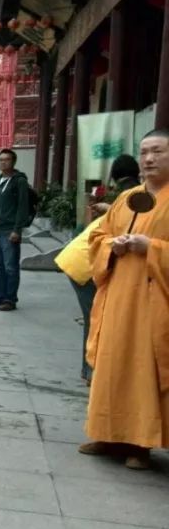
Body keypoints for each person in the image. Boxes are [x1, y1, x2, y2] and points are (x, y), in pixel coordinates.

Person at [79, 129, 169, 471]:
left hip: (153, 299)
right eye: (144, 152)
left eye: (157, 152)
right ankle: (106, 433)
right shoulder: (128, 197)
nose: (148, 159)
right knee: (110, 364)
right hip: (117, 294)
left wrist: (153, 248)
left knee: (142, 369)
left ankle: (139, 444)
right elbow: (99, 235)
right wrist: (110, 246)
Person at [55, 154, 141, 384]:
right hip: (85, 264)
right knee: (96, 319)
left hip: (81, 259)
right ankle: (91, 372)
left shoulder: (125, 196)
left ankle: (92, 370)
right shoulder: (137, 196)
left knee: (96, 318)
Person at [0, 148, 30, 311]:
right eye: (0, 160)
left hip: (9, 230)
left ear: (13, 162)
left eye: (6, 159)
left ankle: (10, 298)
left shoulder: (19, 181)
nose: (3, 162)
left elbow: (23, 207)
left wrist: (17, 230)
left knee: (10, 266)